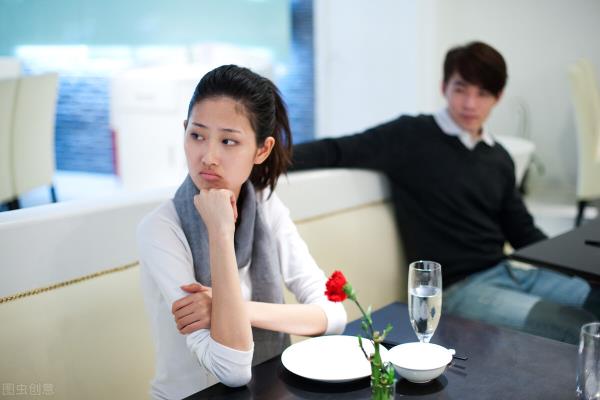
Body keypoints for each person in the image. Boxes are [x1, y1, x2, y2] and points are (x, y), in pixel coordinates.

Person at [291, 41, 599, 344]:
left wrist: (581, 266)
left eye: (483, 93)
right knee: (575, 327)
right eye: (461, 89)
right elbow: (336, 150)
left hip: (511, 273)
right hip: (461, 289)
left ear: (498, 97)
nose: (470, 104)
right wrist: (270, 156)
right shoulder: (411, 136)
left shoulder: (498, 156)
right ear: (444, 87)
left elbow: (523, 232)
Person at [137, 65, 346, 399]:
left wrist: (229, 306)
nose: (208, 156)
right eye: (197, 135)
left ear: (262, 150)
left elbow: (334, 314)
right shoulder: (161, 229)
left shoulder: (265, 207)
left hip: (268, 390)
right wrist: (220, 231)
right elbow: (231, 370)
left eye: (229, 141)